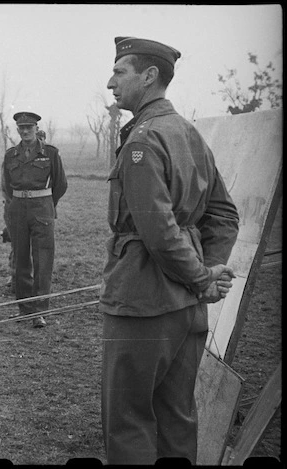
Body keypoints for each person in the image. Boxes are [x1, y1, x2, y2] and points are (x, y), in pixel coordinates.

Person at [100, 36, 240, 465]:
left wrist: (203, 277)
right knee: (177, 417)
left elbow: (158, 231)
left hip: (145, 301)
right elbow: (224, 216)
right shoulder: (189, 133)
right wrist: (208, 274)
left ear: (149, 76)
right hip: (188, 305)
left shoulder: (144, 140)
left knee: (128, 420)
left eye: (120, 72)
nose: (110, 82)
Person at [1, 111, 67, 328]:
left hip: (42, 208)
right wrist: (16, 204)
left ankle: (39, 310)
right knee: (20, 258)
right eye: (22, 128)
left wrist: (47, 203)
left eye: (29, 127)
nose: (26, 131)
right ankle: (24, 307)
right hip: (18, 209)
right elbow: (6, 186)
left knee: (43, 259)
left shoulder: (50, 153)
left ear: (37, 128)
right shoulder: (11, 155)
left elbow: (60, 184)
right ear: (18, 130)